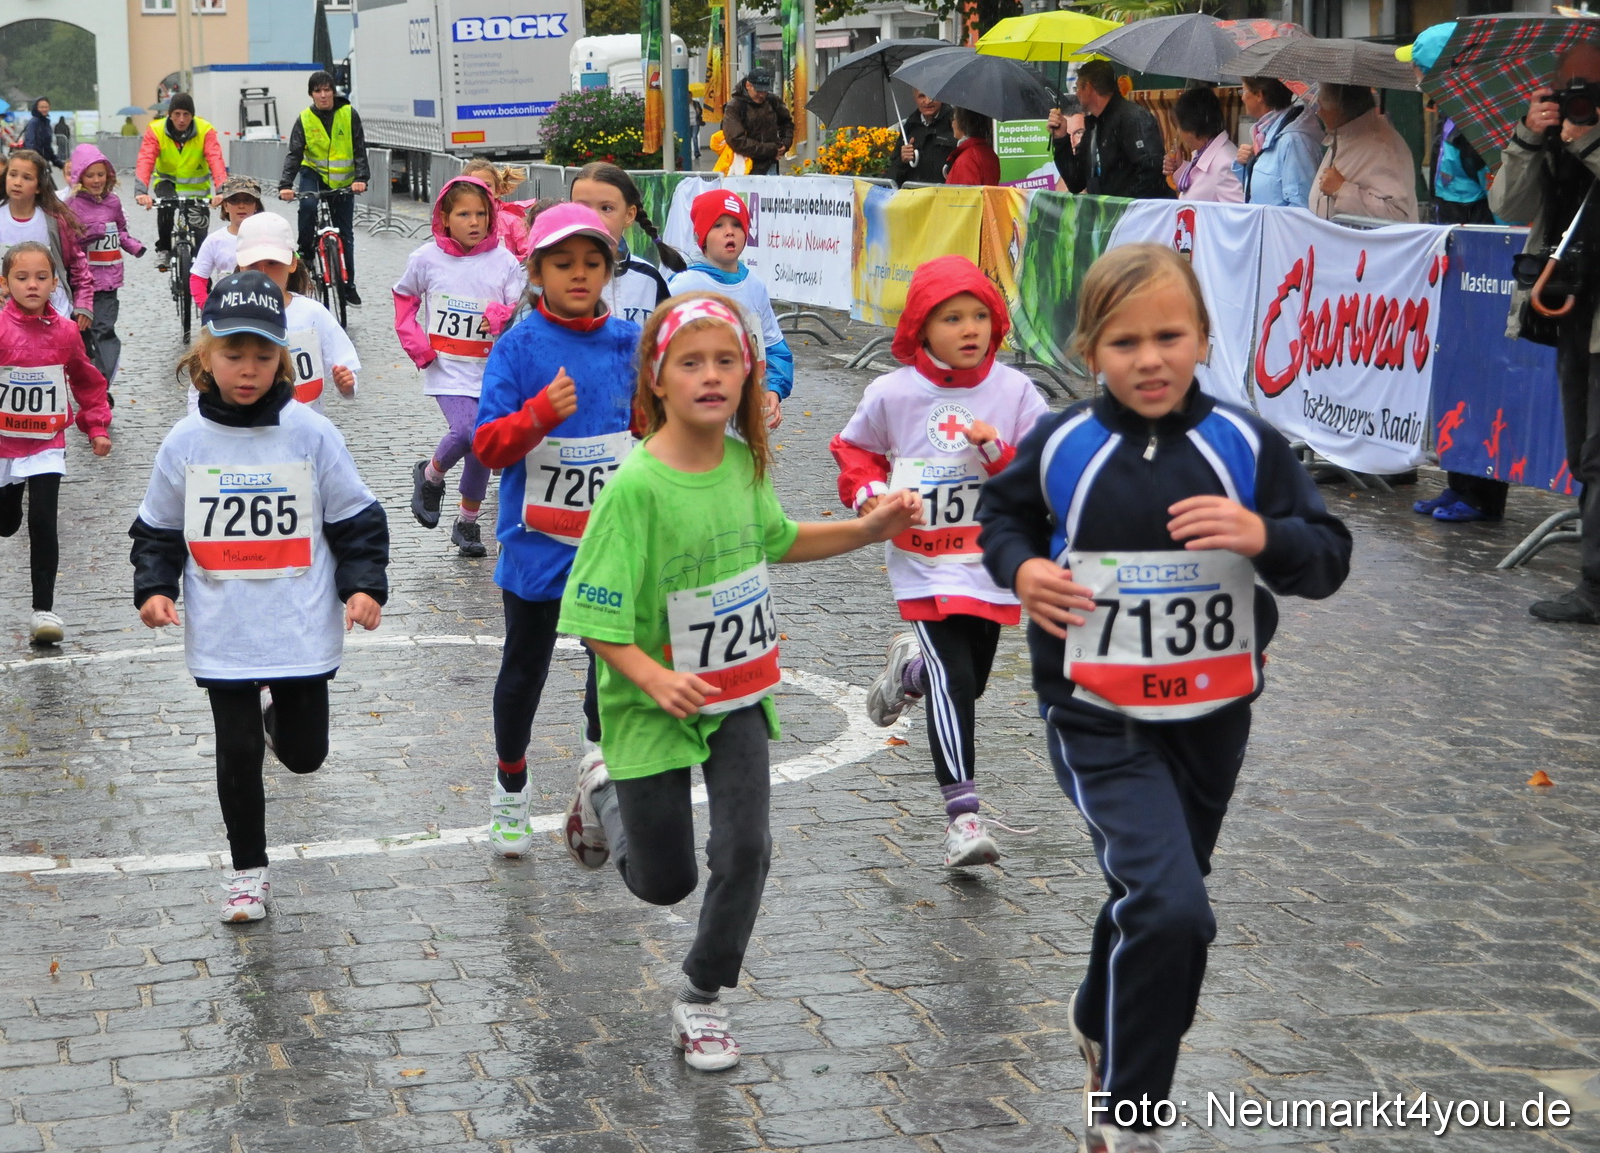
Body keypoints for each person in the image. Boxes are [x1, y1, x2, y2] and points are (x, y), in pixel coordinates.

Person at [976, 243, 1351, 1153]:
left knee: (1157, 900)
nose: (1149, 359)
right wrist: (1020, 568)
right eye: (1124, 342)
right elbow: (1002, 514)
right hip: (1095, 713)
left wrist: (1261, 534)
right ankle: (1129, 1116)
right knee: (1172, 905)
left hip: (1212, 718)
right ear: (1088, 350)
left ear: (1203, 338)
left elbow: (1327, 555)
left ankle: (1098, 1013)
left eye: (1169, 337)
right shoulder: (1064, 442)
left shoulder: (1243, 445)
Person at [558, 292, 925, 1071]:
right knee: (663, 881)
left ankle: (702, 997)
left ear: (748, 374)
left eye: (726, 360)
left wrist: (866, 530)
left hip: (737, 696)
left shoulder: (740, 462)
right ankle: (604, 792)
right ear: (656, 379)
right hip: (651, 703)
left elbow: (778, 538)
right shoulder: (634, 489)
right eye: (690, 362)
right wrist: (654, 677)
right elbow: (592, 615)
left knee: (746, 846)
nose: (711, 375)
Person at [129, 273, 390, 923]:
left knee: (304, 755)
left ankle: (280, 712)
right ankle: (247, 871)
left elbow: (356, 518)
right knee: (238, 750)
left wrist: (363, 585)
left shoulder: (310, 433)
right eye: (233, 354)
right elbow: (158, 527)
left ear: (282, 358)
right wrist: (154, 587)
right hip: (224, 626)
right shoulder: (184, 441)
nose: (247, 370)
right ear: (206, 354)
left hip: (297, 624)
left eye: (263, 355)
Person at [831, 256, 1050, 866]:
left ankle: (909, 674)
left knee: (967, 683)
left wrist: (997, 451)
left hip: (992, 561)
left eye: (979, 315)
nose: (969, 328)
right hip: (924, 563)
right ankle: (963, 818)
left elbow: (1048, 466)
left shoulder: (1015, 391)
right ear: (920, 327)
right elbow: (854, 450)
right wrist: (872, 494)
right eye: (951, 318)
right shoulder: (893, 392)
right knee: (954, 683)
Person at [469, 204, 641, 859]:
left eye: (593, 263)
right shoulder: (518, 348)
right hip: (537, 543)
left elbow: (653, 426)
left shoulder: (630, 343)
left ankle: (598, 775)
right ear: (536, 272)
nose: (579, 274)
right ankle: (510, 784)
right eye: (563, 263)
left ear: (608, 271)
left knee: (611, 663)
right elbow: (487, 445)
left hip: (608, 541)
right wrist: (538, 415)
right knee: (525, 668)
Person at [0, 240, 114, 646]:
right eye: (22, 277)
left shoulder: (66, 332)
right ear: (4, 283)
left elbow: (87, 381)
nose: (32, 284)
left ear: (54, 284)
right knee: (6, 524)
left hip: (48, 442)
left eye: (41, 277)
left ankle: (43, 610)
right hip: (3, 444)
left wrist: (96, 425)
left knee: (43, 521)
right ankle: (5, 504)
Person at [1491, 40, 1600, 622]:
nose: (1577, 96)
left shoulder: (1585, 137)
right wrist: (1529, 139)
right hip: (1571, 310)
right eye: (1567, 86)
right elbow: (1508, 205)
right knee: (1583, 453)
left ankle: (1595, 588)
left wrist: (1589, 141)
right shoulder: (1552, 136)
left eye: (1590, 86)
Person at [1397, 23, 1511, 525]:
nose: (1415, 77)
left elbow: (1502, 205)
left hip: (1486, 270)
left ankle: (1483, 494)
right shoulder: (1449, 118)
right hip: (1457, 266)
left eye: (1420, 67)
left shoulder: (1481, 126)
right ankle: (1458, 480)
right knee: (1458, 376)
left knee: (1484, 381)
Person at [396, 176, 528, 557]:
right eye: (464, 215)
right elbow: (404, 299)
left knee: (483, 447)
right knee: (468, 430)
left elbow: (518, 306)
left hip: (490, 371)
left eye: (481, 215)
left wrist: (499, 315)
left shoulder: (503, 261)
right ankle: (431, 476)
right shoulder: (425, 259)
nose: (474, 222)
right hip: (447, 368)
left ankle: (467, 523)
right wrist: (417, 345)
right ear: (444, 217)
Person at [207, 213, 360, 418]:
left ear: (292, 263)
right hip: (244, 427)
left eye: (273, 263)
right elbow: (203, 378)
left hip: (302, 427)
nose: (263, 272)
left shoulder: (313, 313)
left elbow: (345, 362)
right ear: (241, 265)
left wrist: (347, 384)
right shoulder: (226, 314)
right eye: (253, 264)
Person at [668, 190, 793, 428]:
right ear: (701, 236)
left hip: (746, 416)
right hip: (695, 415)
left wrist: (773, 389)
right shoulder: (683, 286)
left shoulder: (755, 286)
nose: (729, 232)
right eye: (718, 225)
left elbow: (773, 346)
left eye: (737, 224)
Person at [0, 150, 95, 328]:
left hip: (54, 316)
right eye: (13, 175)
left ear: (38, 186)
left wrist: (84, 304)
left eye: (27, 178)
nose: (17, 182)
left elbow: (78, 265)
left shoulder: (54, 222)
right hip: (8, 320)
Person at [279, 71, 370, 306]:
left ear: (333, 92)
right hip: (314, 174)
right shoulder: (304, 119)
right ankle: (306, 254)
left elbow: (359, 148)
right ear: (311, 94)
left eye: (327, 90)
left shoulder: (349, 114)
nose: (323, 95)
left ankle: (349, 286)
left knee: (345, 234)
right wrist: (286, 184)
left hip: (344, 181)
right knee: (308, 205)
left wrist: (361, 178)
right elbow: (294, 154)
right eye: (318, 91)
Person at [66, 143, 146, 392]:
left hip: (109, 280)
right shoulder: (72, 206)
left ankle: (101, 386)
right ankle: (88, 375)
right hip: (82, 282)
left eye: (100, 174)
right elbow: (69, 242)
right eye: (90, 175)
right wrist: (93, 232)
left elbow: (119, 230)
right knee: (84, 334)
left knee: (104, 330)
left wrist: (132, 245)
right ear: (80, 177)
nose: (96, 180)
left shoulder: (113, 202)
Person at [570, 161, 687, 325]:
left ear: (629, 215)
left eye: (606, 208)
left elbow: (668, 336)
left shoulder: (649, 279)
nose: (593, 218)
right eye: (582, 208)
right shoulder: (557, 275)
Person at [1049, 60, 1172, 200]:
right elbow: (1076, 182)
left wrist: (1120, 205)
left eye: (1077, 88)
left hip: (1137, 211)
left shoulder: (1133, 117)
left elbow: (1151, 172)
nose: (1076, 94)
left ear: (1088, 87)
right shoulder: (1094, 125)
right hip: (1109, 211)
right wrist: (1061, 139)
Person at [134, 93, 228, 266]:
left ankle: (202, 268)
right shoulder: (156, 130)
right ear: (169, 114)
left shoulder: (205, 130)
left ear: (193, 115)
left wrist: (222, 190)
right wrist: (141, 191)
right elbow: (146, 159)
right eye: (177, 114)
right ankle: (164, 249)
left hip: (196, 188)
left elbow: (216, 159)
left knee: (200, 236)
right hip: (166, 182)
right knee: (165, 208)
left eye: (186, 114)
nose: (182, 119)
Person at [1308, 83, 1416, 222]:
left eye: (1321, 106)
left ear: (1339, 109)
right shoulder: (1343, 134)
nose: (1319, 113)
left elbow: (1396, 215)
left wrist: (1341, 190)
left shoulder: (1382, 147)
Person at [1232, 77, 1320, 208]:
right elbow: (1262, 192)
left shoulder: (1293, 141)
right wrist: (1245, 164)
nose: (1242, 98)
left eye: (1243, 91)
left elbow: (1300, 207)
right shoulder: (1265, 134)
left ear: (1259, 95)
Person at [190, 175, 265, 310]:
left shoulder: (269, 236)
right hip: (225, 308)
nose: (241, 206)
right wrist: (207, 307)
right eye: (234, 200)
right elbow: (198, 278)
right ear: (225, 206)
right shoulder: (214, 240)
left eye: (247, 200)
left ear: (256, 205)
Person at [1164, 87, 1242, 204]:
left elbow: (1237, 211)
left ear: (1191, 128)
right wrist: (1179, 168)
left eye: (1178, 126)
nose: (1178, 132)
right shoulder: (1204, 152)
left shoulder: (1225, 164)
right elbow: (1202, 188)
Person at [721, 69, 794, 176]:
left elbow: (786, 122)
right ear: (748, 85)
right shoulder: (735, 106)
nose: (762, 95)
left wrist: (785, 143)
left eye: (765, 91)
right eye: (758, 91)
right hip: (744, 166)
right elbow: (736, 140)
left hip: (770, 164)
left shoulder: (772, 101)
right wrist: (771, 149)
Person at [887, 88, 958, 187]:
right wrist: (902, 161)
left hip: (945, 193)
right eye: (921, 96)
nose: (928, 101)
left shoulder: (955, 122)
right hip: (915, 194)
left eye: (932, 95)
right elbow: (892, 178)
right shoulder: (909, 126)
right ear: (915, 98)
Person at [463, 159, 532, 258]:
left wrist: (508, 263)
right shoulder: (457, 220)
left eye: (487, 185)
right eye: (474, 186)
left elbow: (529, 254)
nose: (481, 190)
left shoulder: (511, 222)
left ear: (497, 191)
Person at [945, 107, 1000, 186]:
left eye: (953, 119)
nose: (952, 124)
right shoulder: (989, 153)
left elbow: (965, 193)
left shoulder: (966, 160)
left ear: (962, 122)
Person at [21, 98, 57, 171]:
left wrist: (57, 162)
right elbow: (29, 142)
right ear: (36, 108)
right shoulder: (33, 123)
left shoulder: (46, 123)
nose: (44, 109)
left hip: (43, 161)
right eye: (41, 107)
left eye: (46, 107)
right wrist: (33, 160)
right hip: (35, 162)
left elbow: (47, 146)